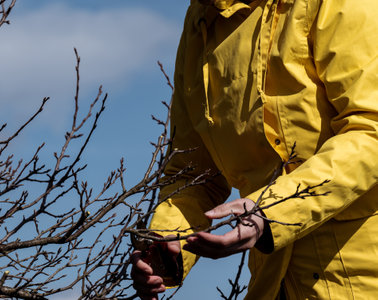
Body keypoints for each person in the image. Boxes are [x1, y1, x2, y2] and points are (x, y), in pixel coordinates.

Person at [131, 0, 378, 299]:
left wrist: (270, 211)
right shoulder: (201, 21)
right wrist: (167, 242)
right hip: (274, 282)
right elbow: (193, 173)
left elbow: (370, 129)